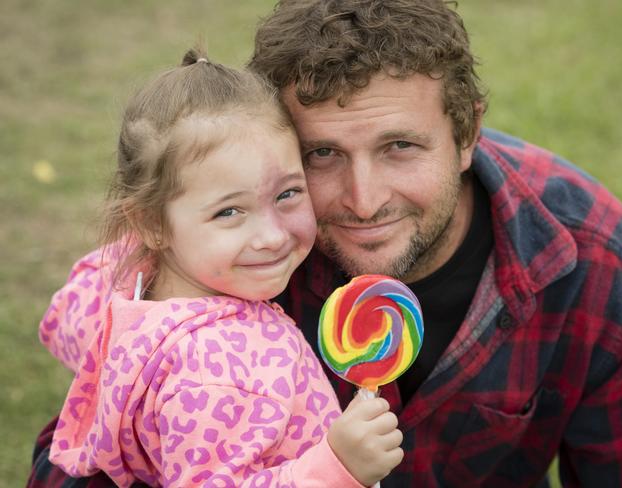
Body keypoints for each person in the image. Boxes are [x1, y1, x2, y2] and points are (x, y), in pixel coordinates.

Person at [29, 1, 622, 487]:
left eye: (399, 146)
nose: (361, 199)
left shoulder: (601, 269)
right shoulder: (237, 255)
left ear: (467, 134)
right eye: (322, 154)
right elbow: (88, 452)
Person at [31, 48, 404, 488]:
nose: (271, 235)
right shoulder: (230, 370)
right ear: (152, 223)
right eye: (229, 212)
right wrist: (336, 466)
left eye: (287, 194)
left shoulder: (120, 279)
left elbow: (66, 314)